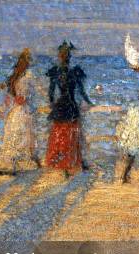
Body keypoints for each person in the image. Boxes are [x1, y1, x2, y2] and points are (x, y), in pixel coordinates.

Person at [44, 41, 94, 176]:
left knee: (63, 136)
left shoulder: (57, 72)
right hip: (70, 106)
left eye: (64, 55)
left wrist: (52, 104)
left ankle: (66, 164)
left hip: (61, 107)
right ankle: (71, 163)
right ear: (67, 57)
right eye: (65, 55)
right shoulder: (73, 72)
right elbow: (82, 91)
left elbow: (51, 93)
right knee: (70, 136)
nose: (65, 57)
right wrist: (89, 102)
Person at [0, 48, 39, 172]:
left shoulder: (22, 76)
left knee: (21, 135)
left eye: (25, 62)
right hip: (20, 109)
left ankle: (23, 162)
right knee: (18, 134)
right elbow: (10, 90)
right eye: (24, 61)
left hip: (21, 109)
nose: (25, 64)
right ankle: (18, 163)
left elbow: (31, 92)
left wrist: (24, 98)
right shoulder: (20, 75)